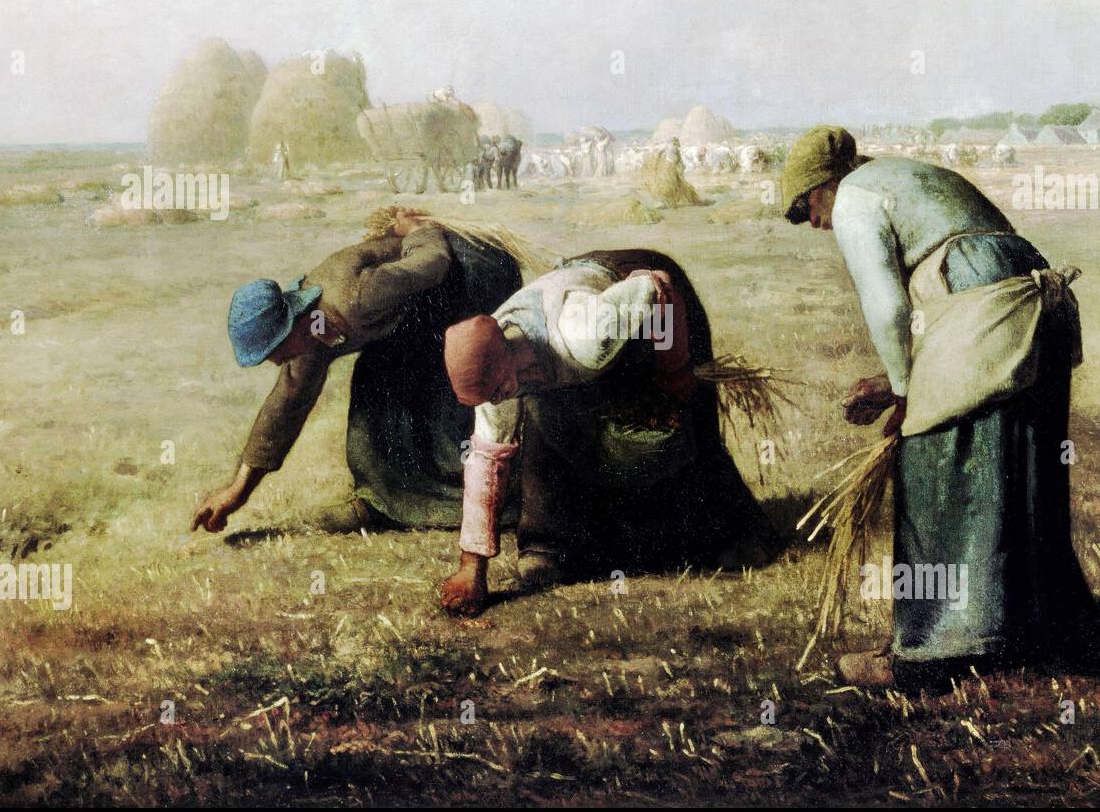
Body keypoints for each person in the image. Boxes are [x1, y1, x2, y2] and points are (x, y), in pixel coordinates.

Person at [782, 126, 1094, 688]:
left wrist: (906, 396)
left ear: (825, 187)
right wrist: (894, 380)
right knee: (1018, 460)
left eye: (806, 207)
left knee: (932, 465)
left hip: (982, 300)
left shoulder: (855, 196)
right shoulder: (903, 175)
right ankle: (1041, 628)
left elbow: (888, 309)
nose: (813, 223)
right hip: (1026, 296)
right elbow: (940, 318)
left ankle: (934, 653)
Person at [438, 250, 779, 616]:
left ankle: (736, 533)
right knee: (548, 427)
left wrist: (673, 368)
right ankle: (551, 548)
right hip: (593, 319)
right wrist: (472, 566)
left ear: (507, 356)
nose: (492, 401)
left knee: (681, 421)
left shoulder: (584, 332)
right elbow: (489, 459)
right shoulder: (495, 376)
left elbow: (658, 285)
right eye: (486, 396)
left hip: (644, 297)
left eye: (495, 391)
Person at [190, 209, 521, 536]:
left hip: (472, 271)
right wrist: (237, 493)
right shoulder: (310, 336)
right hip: (422, 302)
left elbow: (432, 263)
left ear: (293, 325)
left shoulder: (356, 297)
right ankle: (382, 501)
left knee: (447, 383)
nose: (276, 362)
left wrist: (419, 229)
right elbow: (286, 405)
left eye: (274, 351)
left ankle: (492, 500)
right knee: (373, 383)